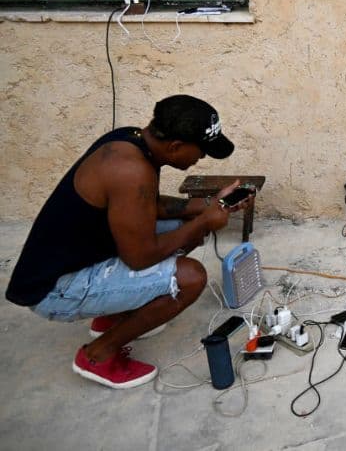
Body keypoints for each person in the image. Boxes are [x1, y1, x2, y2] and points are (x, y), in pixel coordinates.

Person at [5, 95, 252, 388]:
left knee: (185, 228)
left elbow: (146, 203)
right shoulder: (131, 170)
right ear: (175, 147)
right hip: (55, 289)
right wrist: (203, 221)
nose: (201, 159)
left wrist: (209, 205)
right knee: (190, 277)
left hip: (74, 258)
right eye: (201, 153)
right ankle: (98, 355)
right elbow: (140, 257)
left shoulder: (131, 140)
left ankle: (114, 313)